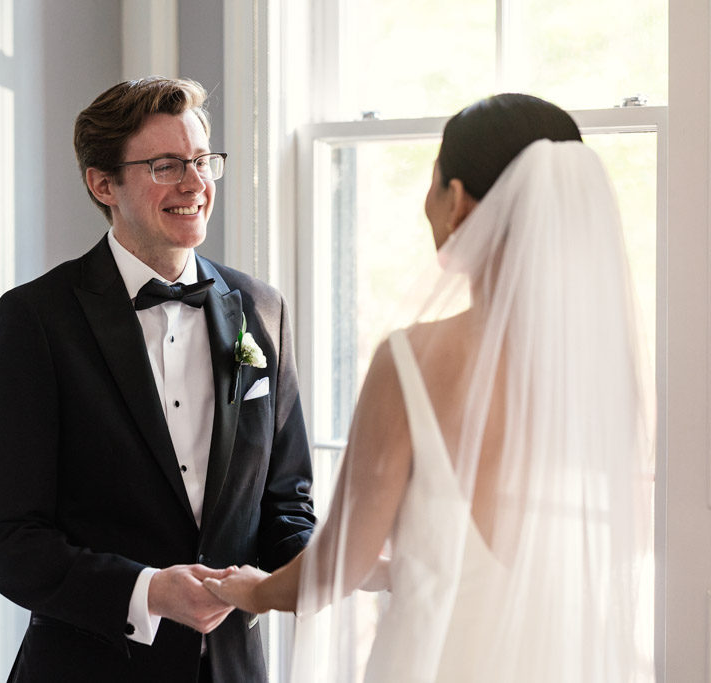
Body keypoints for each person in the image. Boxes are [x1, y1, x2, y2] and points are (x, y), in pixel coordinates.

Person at [204, 93, 654, 682]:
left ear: (458, 201)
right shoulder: (601, 368)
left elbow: (339, 561)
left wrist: (253, 592)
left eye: (434, 178)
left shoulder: (413, 360)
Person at [0, 76, 316, 683]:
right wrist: (148, 592)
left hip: (234, 670)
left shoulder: (263, 309)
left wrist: (312, 570)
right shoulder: (37, 320)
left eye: (203, 161)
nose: (194, 184)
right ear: (103, 184)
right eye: (165, 165)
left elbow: (287, 502)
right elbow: (5, 536)